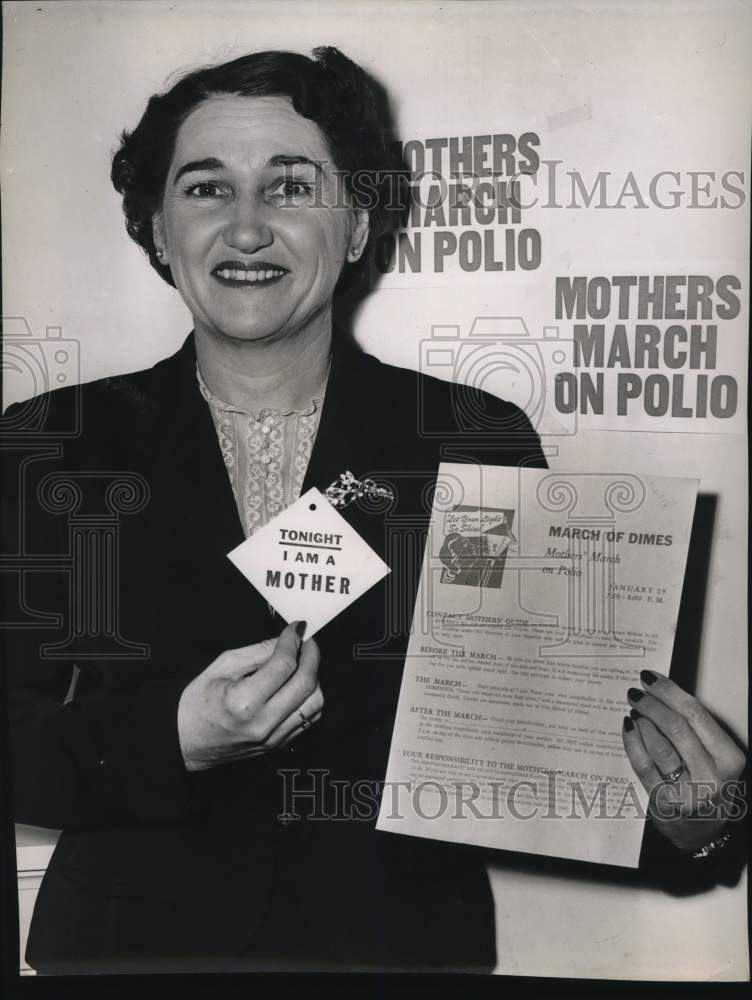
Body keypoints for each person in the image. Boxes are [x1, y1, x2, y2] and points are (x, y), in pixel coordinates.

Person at [2, 46, 746, 975]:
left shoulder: (469, 435)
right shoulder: (56, 441)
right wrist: (170, 740)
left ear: (355, 225)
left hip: (396, 955)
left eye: (289, 187)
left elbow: (545, 753)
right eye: (204, 190)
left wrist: (697, 823)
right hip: (134, 958)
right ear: (156, 230)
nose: (244, 229)